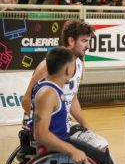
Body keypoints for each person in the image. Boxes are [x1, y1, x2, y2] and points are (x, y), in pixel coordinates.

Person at [22, 20, 108, 152]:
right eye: (84, 41)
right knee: (99, 148)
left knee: (100, 146)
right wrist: (42, 124)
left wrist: (85, 125)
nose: (88, 46)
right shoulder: (47, 66)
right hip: (47, 125)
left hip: (63, 123)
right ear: (71, 41)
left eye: (89, 41)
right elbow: (26, 100)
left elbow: (72, 99)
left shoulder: (79, 64)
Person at [27, 47, 108, 164]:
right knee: (100, 159)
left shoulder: (49, 87)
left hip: (59, 141)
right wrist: (71, 150)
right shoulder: (48, 93)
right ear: (68, 69)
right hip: (52, 149)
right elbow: (40, 134)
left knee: (98, 151)